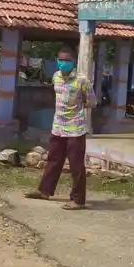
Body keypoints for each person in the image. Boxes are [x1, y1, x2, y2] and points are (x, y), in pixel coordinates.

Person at [25, 45, 97, 210]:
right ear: (57, 61)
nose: (63, 63)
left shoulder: (82, 80)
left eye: (67, 60)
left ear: (73, 62)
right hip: (57, 127)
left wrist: (77, 108)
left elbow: (92, 102)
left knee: (76, 165)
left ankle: (78, 200)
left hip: (76, 129)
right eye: (61, 60)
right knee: (54, 160)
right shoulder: (56, 77)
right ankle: (44, 191)